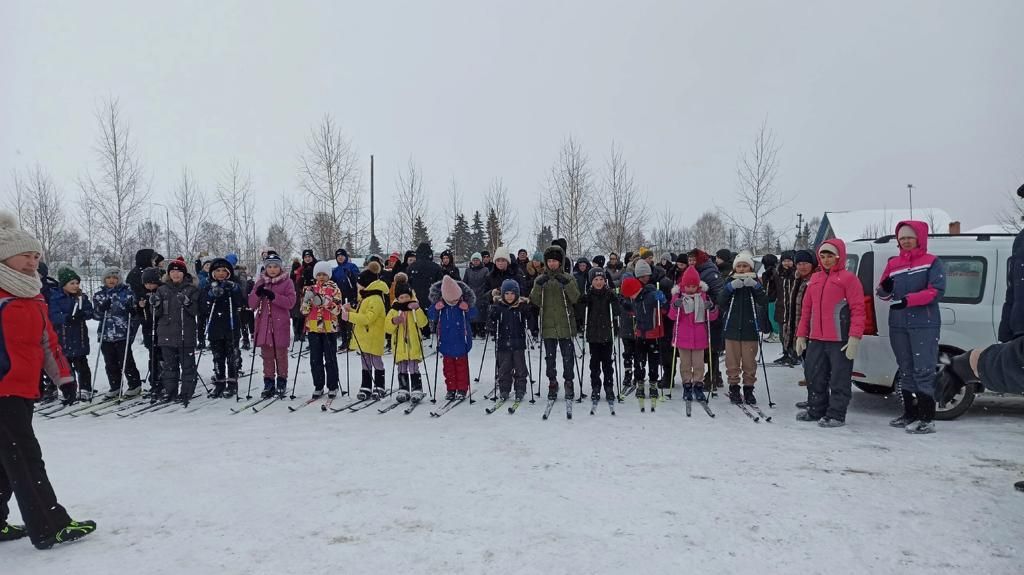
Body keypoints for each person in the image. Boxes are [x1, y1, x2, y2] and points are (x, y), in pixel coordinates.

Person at [0, 211, 97, 550]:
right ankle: (49, 525)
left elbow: (47, 342)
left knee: (6, 458)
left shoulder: (34, 294)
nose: (33, 260)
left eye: (36, 254)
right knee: (25, 456)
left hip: (22, 388)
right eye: (25, 254)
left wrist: (64, 378)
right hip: (2, 390)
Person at [875, 221, 947, 433]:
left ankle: (927, 419)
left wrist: (909, 300)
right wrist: (884, 289)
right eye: (902, 238)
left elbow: (937, 291)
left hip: (924, 323)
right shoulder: (893, 263)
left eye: (909, 237)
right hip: (898, 323)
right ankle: (909, 414)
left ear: (919, 238)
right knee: (905, 369)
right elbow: (883, 292)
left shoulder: (932, 262)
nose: (905, 241)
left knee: (923, 370)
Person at [795, 240, 866, 427]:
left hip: (839, 339)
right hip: (816, 339)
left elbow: (858, 310)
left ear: (839, 256)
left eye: (830, 256)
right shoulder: (815, 279)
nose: (826, 260)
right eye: (823, 256)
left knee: (839, 378)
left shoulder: (849, 279)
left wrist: (854, 338)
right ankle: (816, 409)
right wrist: (801, 335)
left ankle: (836, 414)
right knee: (814, 375)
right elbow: (806, 310)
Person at [530, 243, 580, 401]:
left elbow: (575, 298)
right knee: (549, 357)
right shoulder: (540, 279)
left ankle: (569, 381)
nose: (552, 263)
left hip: (565, 322)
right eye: (549, 261)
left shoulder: (569, 278)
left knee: (567, 356)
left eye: (555, 261)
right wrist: (538, 286)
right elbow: (535, 300)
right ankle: (552, 381)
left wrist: (566, 284)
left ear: (560, 262)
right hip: (547, 324)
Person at [718, 252, 768, 405]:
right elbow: (720, 301)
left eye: (745, 265)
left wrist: (756, 287)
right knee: (732, 362)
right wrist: (729, 288)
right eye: (739, 266)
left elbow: (763, 301)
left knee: (749, 362)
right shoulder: (730, 281)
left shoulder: (754, 282)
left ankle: (748, 388)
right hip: (732, 329)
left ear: (750, 267)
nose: (741, 269)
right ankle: (734, 388)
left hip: (749, 330)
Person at [668, 266, 719, 403]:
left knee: (699, 364)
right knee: (685, 363)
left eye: (693, 286)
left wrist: (712, 308)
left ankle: (698, 385)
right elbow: (672, 316)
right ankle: (687, 385)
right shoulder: (678, 296)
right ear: (684, 285)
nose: (691, 289)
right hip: (683, 336)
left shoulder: (704, 296)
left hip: (699, 336)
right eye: (688, 286)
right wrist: (674, 307)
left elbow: (712, 318)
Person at [249, 254, 296, 399]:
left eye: (275, 266)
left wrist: (274, 296)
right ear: (265, 268)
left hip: (279, 324)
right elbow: (251, 304)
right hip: (264, 325)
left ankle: (282, 382)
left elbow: (290, 302)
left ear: (280, 267)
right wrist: (257, 293)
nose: (273, 269)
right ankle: (268, 383)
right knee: (267, 356)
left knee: (281, 355)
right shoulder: (261, 282)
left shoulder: (287, 282)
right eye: (269, 266)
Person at [155, 258, 201, 406]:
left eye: (179, 271)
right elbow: (156, 313)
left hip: (185, 334)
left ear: (184, 273)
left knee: (187, 366)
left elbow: (196, 311)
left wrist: (187, 302)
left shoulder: (192, 289)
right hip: (166, 334)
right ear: (168, 274)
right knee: (169, 366)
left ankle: (187, 391)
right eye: (172, 271)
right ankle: (170, 391)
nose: (175, 274)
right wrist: (154, 304)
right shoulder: (162, 289)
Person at [93, 266, 143, 399]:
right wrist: (101, 309)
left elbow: (135, 312)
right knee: (110, 362)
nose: (112, 280)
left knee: (126, 360)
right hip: (105, 334)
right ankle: (115, 386)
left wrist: (132, 310)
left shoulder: (127, 292)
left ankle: (134, 384)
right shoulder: (99, 295)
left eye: (115, 278)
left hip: (122, 333)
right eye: (109, 277)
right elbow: (96, 315)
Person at [342, 263, 389, 399]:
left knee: (376, 361)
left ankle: (379, 385)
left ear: (367, 285)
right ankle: (366, 385)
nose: (358, 287)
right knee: (365, 362)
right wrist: (350, 309)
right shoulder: (366, 298)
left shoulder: (375, 299)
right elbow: (360, 313)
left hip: (373, 336)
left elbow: (368, 318)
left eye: (360, 285)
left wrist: (350, 316)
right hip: (365, 337)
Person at [428, 275, 477, 400]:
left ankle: (462, 389)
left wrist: (467, 308)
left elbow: (474, 314)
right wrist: (435, 308)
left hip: (461, 340)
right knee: (448, 368)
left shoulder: (463, 303)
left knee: (461, 367)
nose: (453, 302)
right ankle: (451, 389)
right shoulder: (441, 305)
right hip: (445, 341)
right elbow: (431, 315)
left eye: (456, 299)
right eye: (451, 300)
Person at [202, 258, 245, 399]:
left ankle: (232, 383)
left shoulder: (233, 285)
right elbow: (203, 305)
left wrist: (234, 289)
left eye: (224, 271)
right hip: (215, 327)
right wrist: (211, 295)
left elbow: (241, 301)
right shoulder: (209, 286)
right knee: (217, 357)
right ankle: (219, 382)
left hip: (231, 326)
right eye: (217, 271)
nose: (221, 274)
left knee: (232, 356)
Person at [50, 267, 95, 401]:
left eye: (77, 283)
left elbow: (89, 312)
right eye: (72, 283)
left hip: (79, 338)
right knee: (65, 367)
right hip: (63, 338)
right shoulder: (56, 298)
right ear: (64, 285)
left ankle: (85, 388)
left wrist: (84, 314)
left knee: (82, 366)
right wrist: (67, 317)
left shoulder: (81, 297)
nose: (75, 286)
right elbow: (53, 315)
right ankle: (69, 391)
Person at [302, 260, 344, 399]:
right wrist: (307, 301)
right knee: (315, 359)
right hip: (313, 328)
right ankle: (318, 385)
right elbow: (304, 311)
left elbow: (337, 309)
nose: (321, 277)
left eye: (324, 274)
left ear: (329, 275)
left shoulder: (335, 289)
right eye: (318, 274)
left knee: (330, 358)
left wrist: (325, 301)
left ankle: (332, 386)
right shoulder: (310, 289)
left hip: (329, 328)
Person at [580, 268, 619, 408]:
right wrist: (583, 301)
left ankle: (609, 387)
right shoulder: (589, 295)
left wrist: (616, 299)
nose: (599, 282)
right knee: (594, 364)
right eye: (596, 280)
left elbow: (617, 310)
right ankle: (595, 387)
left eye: (601, 279)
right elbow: (581, 310)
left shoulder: (609, 294)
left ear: (605, 280)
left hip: (607, 335)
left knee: (608, 364)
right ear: (591, 281)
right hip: (593, 335)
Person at [488, 279, 531, 404]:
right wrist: (491, 315)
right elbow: (491, 323)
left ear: (517, 294)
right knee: (504, 368)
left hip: (518, 343)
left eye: (512, 294)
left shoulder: (521, 307)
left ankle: (520, 389)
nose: (509, 296)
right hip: (503, 343)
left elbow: (530, 320)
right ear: (502, 295)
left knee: (520, 368)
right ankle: (504, 389)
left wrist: (528, 312)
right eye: (506, 294)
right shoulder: (499, 307)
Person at [384, 282, 429, 403]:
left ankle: (416, 388)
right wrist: (394, 321)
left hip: (413, 343)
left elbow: (423, 323)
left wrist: (418, 310)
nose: (404, 300)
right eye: (401, 297)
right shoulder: (394, 310)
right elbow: (387, 328)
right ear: (397, 298)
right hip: (399, 345)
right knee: (402, 368)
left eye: (406, 297)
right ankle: (403, 389)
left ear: (410, 297)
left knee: (413, 367)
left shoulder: (414, 308)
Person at [629, 259, 666, 400]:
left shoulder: (654, 289)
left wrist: (662, 301)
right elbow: (629, 310)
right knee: (639, 360)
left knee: (654, 360)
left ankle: (653, 383)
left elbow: (664, 310)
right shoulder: (634, 291)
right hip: (639, 331)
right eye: (641, 276)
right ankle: (639, 383)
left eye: (647, 275)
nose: (645, 278)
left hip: (653, 332)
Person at [783, 250, 816, 407]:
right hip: (798, 328)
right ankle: (813, 397)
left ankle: (817, 399)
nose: (802, 267)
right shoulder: (797, 279)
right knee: (807, 366)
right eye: (799, 264)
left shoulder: (814, 280)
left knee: (815, 368)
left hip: (812, 331)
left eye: (806, 264)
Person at [331, 248, 360, 352]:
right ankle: (344, 341)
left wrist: (355, 297)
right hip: (340, 297)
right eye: (338, 256)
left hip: (351, 296)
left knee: (350, 319)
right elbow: (333, 283)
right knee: (341, 320)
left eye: (342, 255)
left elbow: (357, 281)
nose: (340, 257)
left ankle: (351, 341)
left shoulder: (352, 267)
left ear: (345, 256)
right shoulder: (335, 270)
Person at [462, 252, 490, 338]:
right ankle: (472, 332)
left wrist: (486, 292)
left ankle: (482, 331)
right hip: (471, 295)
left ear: (480, 261)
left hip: (482, 295)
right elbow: (464, 283)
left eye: (477, 260)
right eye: (474, 260)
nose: (475, 261)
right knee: (472, 314)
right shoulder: (468, 270)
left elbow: (488, 282)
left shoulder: (485, 270)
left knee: (482, 314)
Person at [760, 253, 781, 343]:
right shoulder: (774, 271)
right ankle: (774, 332)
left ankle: (777, 334)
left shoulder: (772, 273)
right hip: (771, 297)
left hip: (773, 297)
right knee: (770, 316)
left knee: (773, 317)